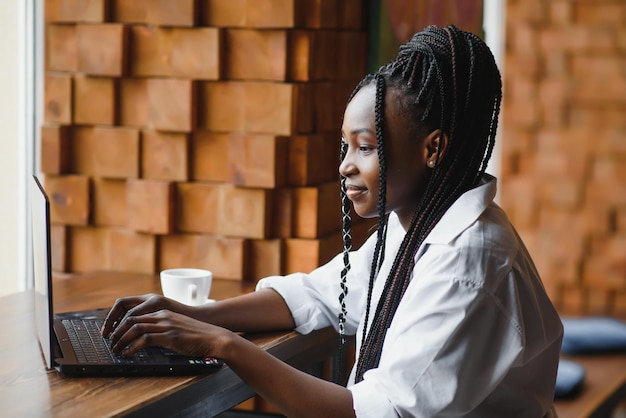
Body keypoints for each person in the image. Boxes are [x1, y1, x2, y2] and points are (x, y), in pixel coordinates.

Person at [102, 25, 563, 417]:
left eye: (365, 147)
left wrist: (222, 343)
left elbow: (369, 413)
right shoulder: (413, 227)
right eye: (346, 147)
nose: (345, 165)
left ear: (433, 150)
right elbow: (318, 295)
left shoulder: (467, 261)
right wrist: (192, 314)